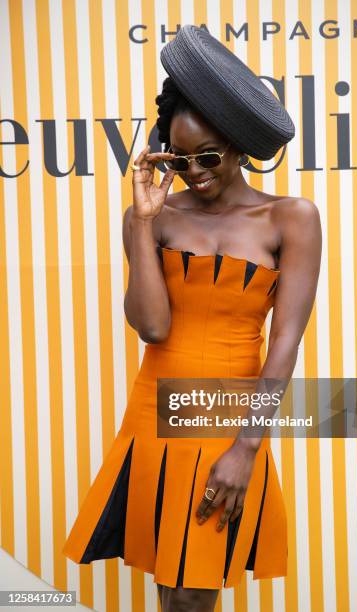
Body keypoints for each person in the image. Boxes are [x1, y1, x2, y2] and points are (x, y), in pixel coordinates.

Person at [62, 25, 321, 612]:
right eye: (180, 160)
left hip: (227, 413)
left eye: (208, 157)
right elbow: (151, 326)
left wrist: (246, 449)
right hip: (154, 407)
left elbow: (285, 343)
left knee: (193, 591)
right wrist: (144, 219)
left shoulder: (291, 218)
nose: (195, 172)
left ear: (237, 147)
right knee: (169, 584)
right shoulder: (153, 214)